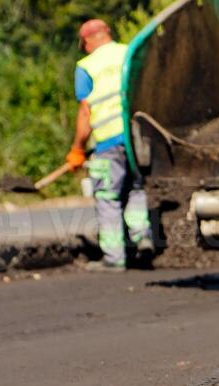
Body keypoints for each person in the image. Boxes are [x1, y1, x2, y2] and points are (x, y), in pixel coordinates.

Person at [68, 18, 154, 271]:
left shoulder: (86, 66)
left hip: (108, 141)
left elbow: (85, 112)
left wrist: (77, 149)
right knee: (136, 188)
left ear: (86, 42)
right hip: (137, 138)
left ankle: (114, 257)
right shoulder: (129, 53)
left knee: (107, 196)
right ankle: (142, 237)